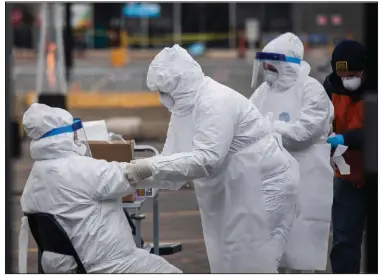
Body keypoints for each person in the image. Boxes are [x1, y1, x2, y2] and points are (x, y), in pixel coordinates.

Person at [125, 44, 300, 273]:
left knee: (253, 260)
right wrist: (132, 179)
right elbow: (171, 163)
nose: (162, 98)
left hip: (265, 184)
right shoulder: (183, 109)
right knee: (230, 259)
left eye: (165, 91)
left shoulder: (214, 101)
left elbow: (207, 160)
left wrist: (147, 167)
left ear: (183, 83)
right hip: (237, 187)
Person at [19, 103, 181, 274]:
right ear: (65, 136)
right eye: (74, 133)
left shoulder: (37, 173)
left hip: (61, 266)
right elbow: (125, 176)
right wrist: (169, 167)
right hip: (105, 264)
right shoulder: (80, 169)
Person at [250, 32, 334, 272]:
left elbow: (302, 134)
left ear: (285, 64)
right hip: (271, 174)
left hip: (308, 173)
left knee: (302, 238)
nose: (267, 70)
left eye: (271, 64)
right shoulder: (263, 92)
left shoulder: (311, 91)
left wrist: (269, 128)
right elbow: (246, 123)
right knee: (273, 241)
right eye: (265, 65)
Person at [323, 40, 366, 274]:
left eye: (352, 75)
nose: (347, 80)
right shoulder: (330, 88)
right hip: (347, 178)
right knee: (344, 242)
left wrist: (345, 139)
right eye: (342, 75)